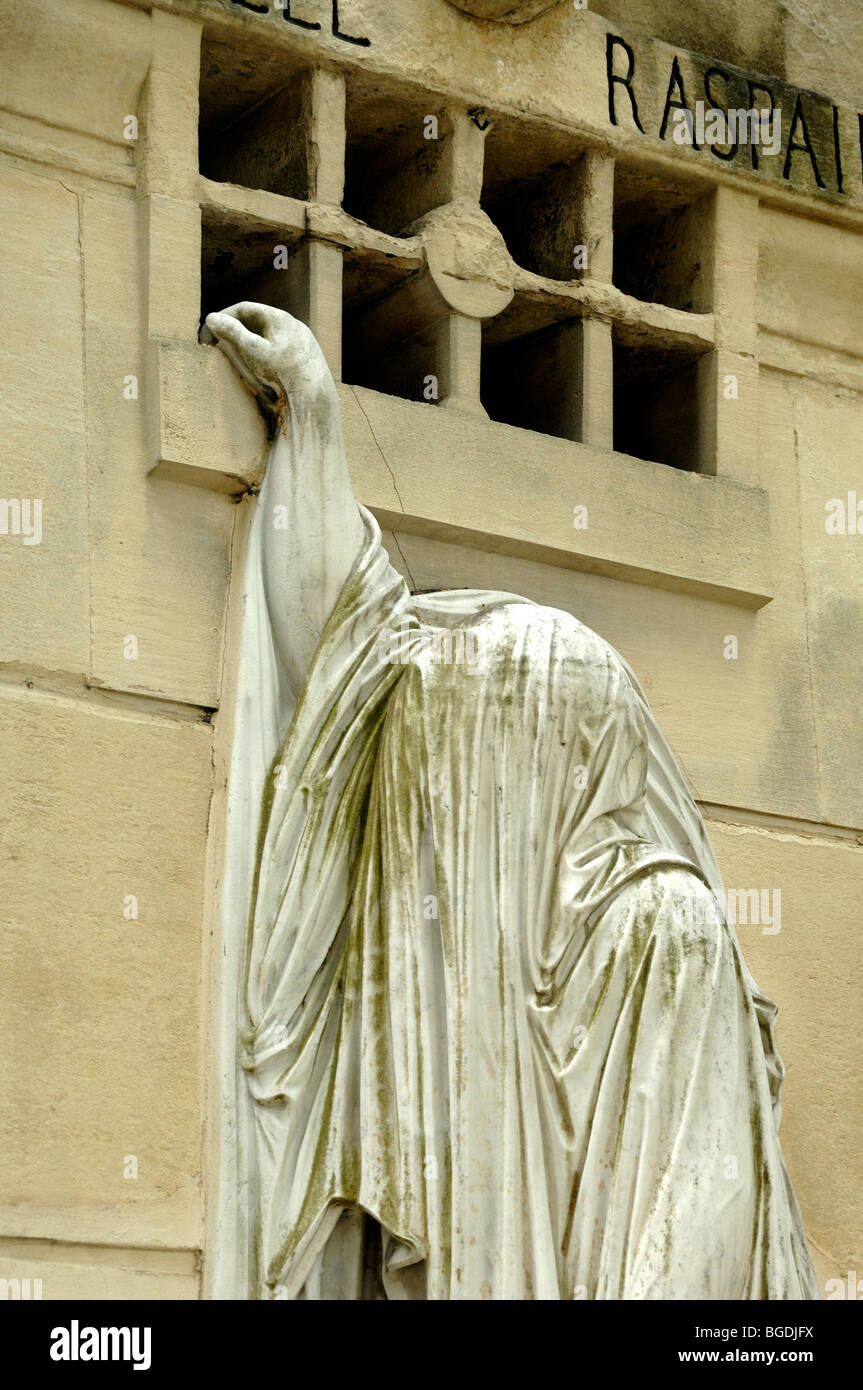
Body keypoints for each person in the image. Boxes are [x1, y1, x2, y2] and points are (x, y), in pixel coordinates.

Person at [205, 302, 817, 1300]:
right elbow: (340, 662)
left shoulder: (665, 939)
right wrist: (310, 414)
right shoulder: (480, 959)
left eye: (455, 803)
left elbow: (692, 1267)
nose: (430, 861)